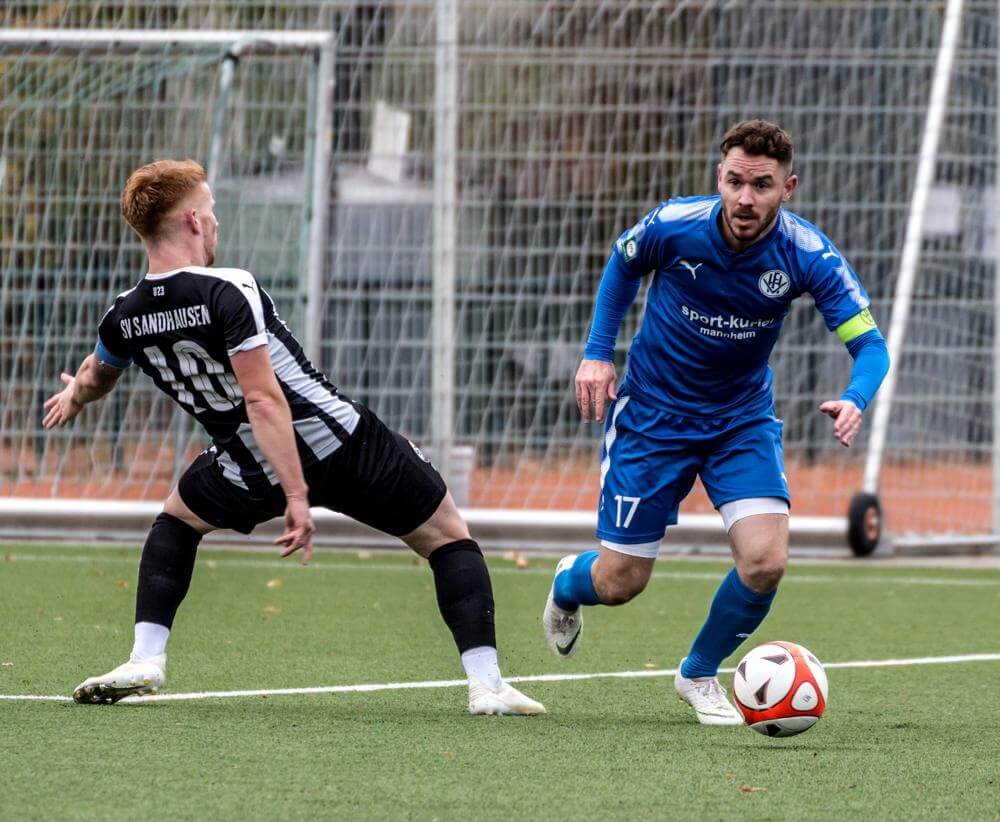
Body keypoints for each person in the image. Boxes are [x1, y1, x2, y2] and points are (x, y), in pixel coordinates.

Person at [44, 159, 543, 716]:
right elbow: (263, 398)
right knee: (447, 536)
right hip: (338, 443)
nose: (215, 225)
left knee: (176, 521)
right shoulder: (230, 289)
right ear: (190, 220)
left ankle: (145, 657)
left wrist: (74, 397)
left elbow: (96, 373)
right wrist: (299, 496)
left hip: (245, 464)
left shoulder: (125, 316)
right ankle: (487, 686)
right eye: (210, 213)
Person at [542, 119, 889, 724]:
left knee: (766, 560)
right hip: (652, 416)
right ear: (719, 178)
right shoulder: (675, 224)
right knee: (621, 581)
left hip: (739, 421)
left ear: (789, 188)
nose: (745, 199)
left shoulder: (808, 254)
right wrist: (598, 352)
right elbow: (623, 264)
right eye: (735, 181)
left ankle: (698, 674)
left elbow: (872, 346)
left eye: (762, 185)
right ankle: (568, 585)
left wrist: (857, 396)